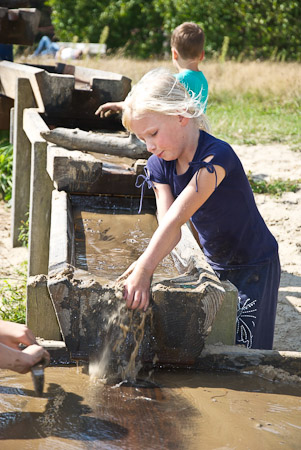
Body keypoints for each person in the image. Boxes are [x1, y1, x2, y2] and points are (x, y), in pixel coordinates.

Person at [119, 68, 280, 351]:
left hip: (255, 263)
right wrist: (145, 266)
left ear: (181, 115)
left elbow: (179, 216)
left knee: (246, 350)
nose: (150, 146)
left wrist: (145, 268)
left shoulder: (216, 158)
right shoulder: (159, 165)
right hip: (215, 263)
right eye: (143, 139)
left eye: (153, 134)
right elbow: (169, 227)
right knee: (216, 342)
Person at [95, 21, 208, 117]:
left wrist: (120, 105)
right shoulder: (203, 81)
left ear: (174, 54)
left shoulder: (174, 81)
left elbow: (147, 102)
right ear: (202, 55)